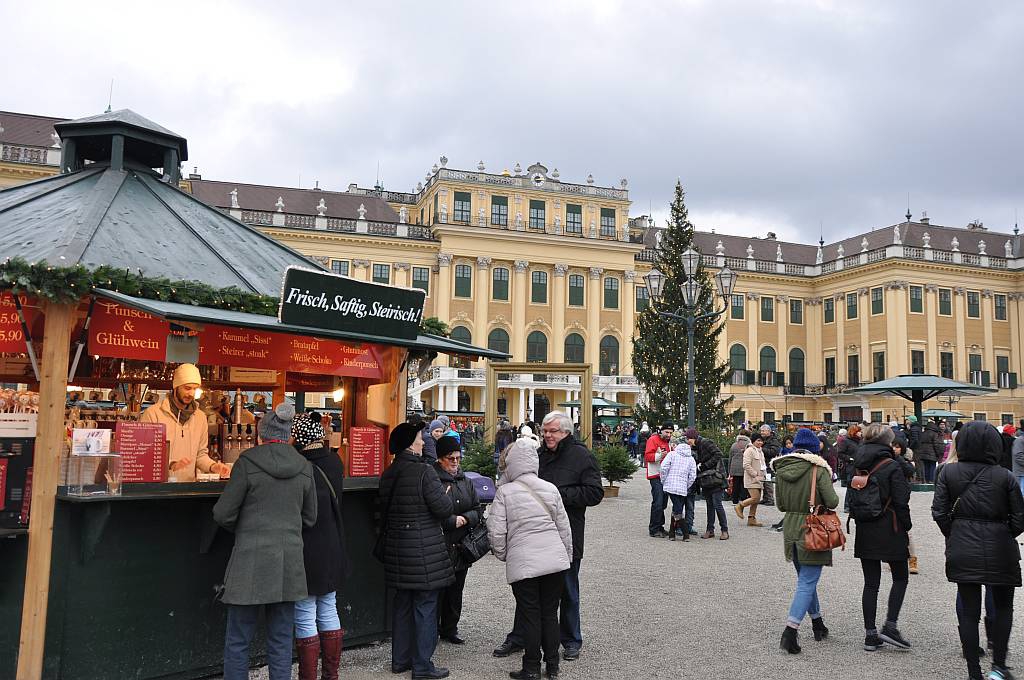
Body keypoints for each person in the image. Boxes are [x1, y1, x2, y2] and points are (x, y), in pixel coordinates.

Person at [212, 403, 318, 680]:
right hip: (288, 562)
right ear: (287, 436)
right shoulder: (304, 467)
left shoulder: (247, 463)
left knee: (238, 639)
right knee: (281, 640)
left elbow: (223, 513)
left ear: (260, 434)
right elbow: (310, 518)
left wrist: (246, 529)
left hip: (249, 559)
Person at [494, 412, 602, 662]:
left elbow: (594, 493)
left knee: (567, 588)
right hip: (532, 536)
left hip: (567, 534)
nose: (547, 435)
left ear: (566, 432)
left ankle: (571, 639)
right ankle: (520, 637)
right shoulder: (538, 455)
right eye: (544, 431)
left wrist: (557, 495)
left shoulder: (581, 455)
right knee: (527, 587)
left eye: (552, 431)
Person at [933, 421, 1024, 680]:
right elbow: (1019, 517)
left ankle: (974, 671)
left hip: (963, 542)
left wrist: (955, 533)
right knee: (1004, 607)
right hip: (1000, 544)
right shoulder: (1003, 475)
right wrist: (1005, 532)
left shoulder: (948, 473)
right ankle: (999, 665)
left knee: (969, 611)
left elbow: (939, 512)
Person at [489, 437, 573, 680]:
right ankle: (554, 666)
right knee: (549, 613)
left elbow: (496, 532)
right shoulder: (551, 488)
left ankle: (532, 667)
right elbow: (564, 529)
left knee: (530, 614)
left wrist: (505, 555)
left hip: (523, 560)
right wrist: (565, 557)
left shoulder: (505, 491)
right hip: (554, 561)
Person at [378, 422, 455, 679]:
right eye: (420, 439)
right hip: (423, 553)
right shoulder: (425, 472)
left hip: (397, 550)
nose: (424, 442)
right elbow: (443, 509)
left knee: (402, 603)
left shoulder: (388, 474)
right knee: (425, 605)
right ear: (410, 444)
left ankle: (400, 660)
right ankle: (422, 666)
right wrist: (444, 494)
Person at [773, 427, 840, 654]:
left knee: (805, 578)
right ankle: (790, 631)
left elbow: (780, 505)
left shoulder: (781, 469)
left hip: (791, 527)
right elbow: (832, 501)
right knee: (807, 582)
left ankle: (818, 623)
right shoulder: (818, 470)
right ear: (813, 450)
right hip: (812, 528)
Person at [291, 413, 346, 680]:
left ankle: (308, 677)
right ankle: (331, 675)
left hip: (306, 544)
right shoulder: (335, 461)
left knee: (304, 612)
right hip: (332, 541)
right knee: (328, 606)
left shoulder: (299, 466)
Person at [849, 423, 913, 652]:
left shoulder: (858, 463)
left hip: (866, 526)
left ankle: (870, 634)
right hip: (890, 526)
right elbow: (901, 500)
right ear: (888, 442)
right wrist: (907, 526)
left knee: (871, 583)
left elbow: (851, 497)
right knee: (900, 576)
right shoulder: (892, 466)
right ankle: (891, 625)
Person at [141, 363, 229, 482]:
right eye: (187, 388)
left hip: (187, 489)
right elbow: (145, 454)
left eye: (195, 389)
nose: (191, 394)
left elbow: (201, 455)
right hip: (159, 488)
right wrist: (171, 465)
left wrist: (213, 466)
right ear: (176, 387)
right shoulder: (153, 414)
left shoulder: (200, 417)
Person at [434, 435, 481, 646]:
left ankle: (450, 628)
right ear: (440, 459)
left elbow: (478, 509)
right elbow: (432, 511)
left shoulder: (466, 481)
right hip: (440, 543)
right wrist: (452, 521)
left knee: (456, 590)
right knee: (438, 592)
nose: (454, 462)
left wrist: (465, 520)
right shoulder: (433, 480)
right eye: (450, 458)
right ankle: (432, 629)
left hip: (462, 545)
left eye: (457, 458)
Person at [687, 427, 729, 540]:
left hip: (716, 478)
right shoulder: (695, 448)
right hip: (705, 480)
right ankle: (710, 530)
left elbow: (718, 454)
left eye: (688, 439)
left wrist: (704, 465)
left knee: (717, 504)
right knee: (709, 505)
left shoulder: (705, 442)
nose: (687, 441)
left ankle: (724, 530)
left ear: (693, 437)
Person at [890, 437, 920, 575]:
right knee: (891, 529)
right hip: (889, 499)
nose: (895, 448)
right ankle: (894, 558)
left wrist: (899, 459)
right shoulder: (887, 459)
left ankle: (912, 558)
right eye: (893, 446)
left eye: (897, 446)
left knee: (907, 528)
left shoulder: (905, 461)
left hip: (901, 499)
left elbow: (910, 471)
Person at [659, 435, 697, 541]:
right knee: (678, 508)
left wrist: (664, 480)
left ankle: (683, 533)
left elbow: (663, 468)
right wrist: (686, 485)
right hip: (682, 487)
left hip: (670, 485)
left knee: (677, 509)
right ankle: (676, 533)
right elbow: (692, 476)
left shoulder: (672, 454)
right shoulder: (691, 459)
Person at [644, 423, 674, 538]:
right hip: (656, 475)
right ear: (661, 431)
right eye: (667, 432)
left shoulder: (668, 442)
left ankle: (659, 526)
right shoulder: (653, 440)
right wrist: (659, 456)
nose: (669, 434)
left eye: (670, 433)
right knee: (658, 502)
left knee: (663, 503)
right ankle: (654, 529)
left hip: (665, 476)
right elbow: (647, 457)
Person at [735, 432, 767, 527]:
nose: (760, 442)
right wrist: (754, 474)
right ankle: (740, 506)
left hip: (760, 479)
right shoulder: (749, 450)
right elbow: (746, 465)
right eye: (758, 440)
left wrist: (764, 475)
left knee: (757, 500)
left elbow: (762, 465)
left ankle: (751, 518)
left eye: (761, 441)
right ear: (753, 441)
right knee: (755, 497)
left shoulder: (760, 451)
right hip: (751, 479)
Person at [837, 424, 862, 509]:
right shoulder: (846, 441)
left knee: (858, 485)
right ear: (854, 432)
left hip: (859, 466)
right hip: (850, 466)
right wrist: (849, 459)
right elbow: (840, 453)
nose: (860, 433)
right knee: (851, 485)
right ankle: (847, 505)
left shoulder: (860, 441)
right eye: (859, 431)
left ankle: (856, 504)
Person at [917, 418, 945, 483]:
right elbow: (936, 444)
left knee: (926, 467)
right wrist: (938, 453)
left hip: (923, 453)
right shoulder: (934, 434)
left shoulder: (923, 433)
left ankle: (926, 480)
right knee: (932, 466)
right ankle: (931, 480)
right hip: (932, 453)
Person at [760, 424, 781, 506]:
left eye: (763, 431)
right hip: (764, 463)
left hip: (769, 463)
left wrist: (762, 449)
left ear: (768, 431)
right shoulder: (764, 440)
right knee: (765, 481)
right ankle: (765, 498)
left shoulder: (773, 441)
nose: (762, 432)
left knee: (768, 481)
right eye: (761, 431)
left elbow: (773, 452)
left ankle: (770, 499)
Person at [729, 433, 752, 505]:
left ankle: (735, 500)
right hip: (744, 467)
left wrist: (729, 469)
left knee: (735, 484)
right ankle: (744, 499)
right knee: (744, 484)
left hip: (734, 467)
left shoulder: (734, 445)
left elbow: (730, 457)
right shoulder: (749, 445)